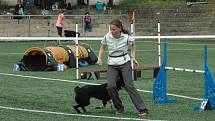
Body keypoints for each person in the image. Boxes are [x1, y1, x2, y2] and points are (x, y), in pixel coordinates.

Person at [96, 19, 149, 117]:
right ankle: (119, 107)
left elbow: (133, 44)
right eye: (111, 29)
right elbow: (102, 47)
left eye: (114, 29)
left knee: (129, 86)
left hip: (124, 62)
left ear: (120, 29)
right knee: (110, 86)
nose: (112, 31)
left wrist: (133, 56)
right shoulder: (107, 37)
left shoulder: (126, 37)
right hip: (112, 64)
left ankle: (142, 109)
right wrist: (99, 58)